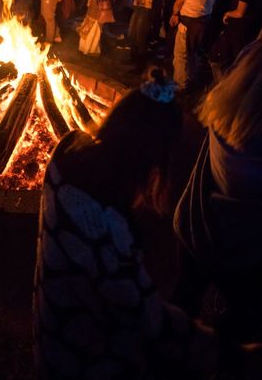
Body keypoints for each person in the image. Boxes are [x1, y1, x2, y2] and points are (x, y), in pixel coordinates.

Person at [34, 68, 217, 380]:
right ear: (151, 158)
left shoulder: (66, 152)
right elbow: (148, 318)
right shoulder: (107, 224)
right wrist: (229, 354)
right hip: (85, 360)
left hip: (50, 331)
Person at [173, 39, 262, 353]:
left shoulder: (231, 94)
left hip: (195, 226)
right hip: (241, 256)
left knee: (184, 301)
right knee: (236, 330)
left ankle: (168, 353)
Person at [170, 0, 217, 91]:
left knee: (181, 54)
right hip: (203, 23)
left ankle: (180, 84)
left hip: (188, 22)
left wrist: (174, 14)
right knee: (194, 52)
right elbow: (213, 1)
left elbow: (179, 3)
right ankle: (192, 78)